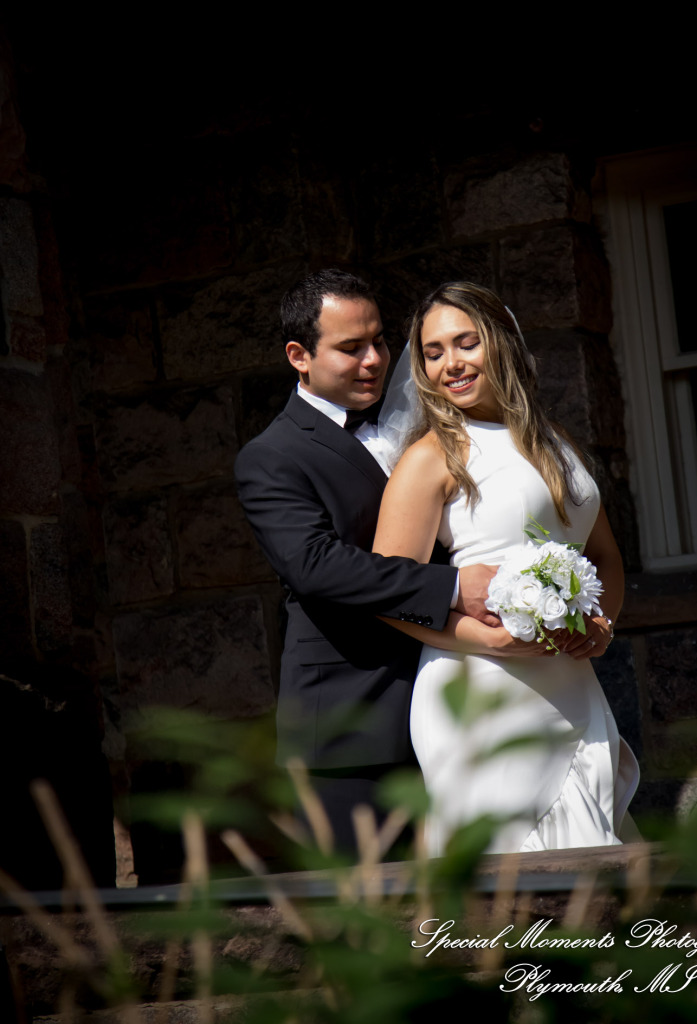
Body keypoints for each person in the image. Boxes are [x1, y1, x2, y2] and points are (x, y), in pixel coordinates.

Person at [234, 270, 539, 853]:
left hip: (458, 699)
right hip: (354, 719)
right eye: (351, 348)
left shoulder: (428, 428)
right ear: (299, 356)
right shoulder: (271, 456)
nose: (374, 360)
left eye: (379, 341)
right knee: (368, 898)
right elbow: (317, 566)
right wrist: (455, 587)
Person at [373, 281, 639, 855]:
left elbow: (605, 557)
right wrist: (490, 641)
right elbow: (388, 594)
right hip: (481, 691)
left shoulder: (554, 441)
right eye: (434, 352)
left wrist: (602, 626)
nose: (450, 364)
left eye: (466, 343)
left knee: (595, 867)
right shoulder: (431, 457)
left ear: (502, 341)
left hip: (571, 683)